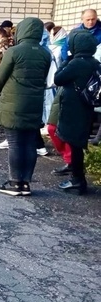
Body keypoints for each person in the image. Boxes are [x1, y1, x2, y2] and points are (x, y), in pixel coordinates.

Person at [0, 17, 51, 196]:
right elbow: (44, 76)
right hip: (34, 104)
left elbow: (0, 78)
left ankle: (15, 183)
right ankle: (25, 183)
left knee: (15, 144)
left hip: (13, 103)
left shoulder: (14, 51)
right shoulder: (45, 53)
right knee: (30, 144)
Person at [52, 28, 100, 194]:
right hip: (87, 107)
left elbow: (58, 78)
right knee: (77, 143)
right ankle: (76, 175)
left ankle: (78, 180)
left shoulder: (77, 63)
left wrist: (66, 61)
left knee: (75, 144)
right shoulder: (94, 62)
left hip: (74, 108)